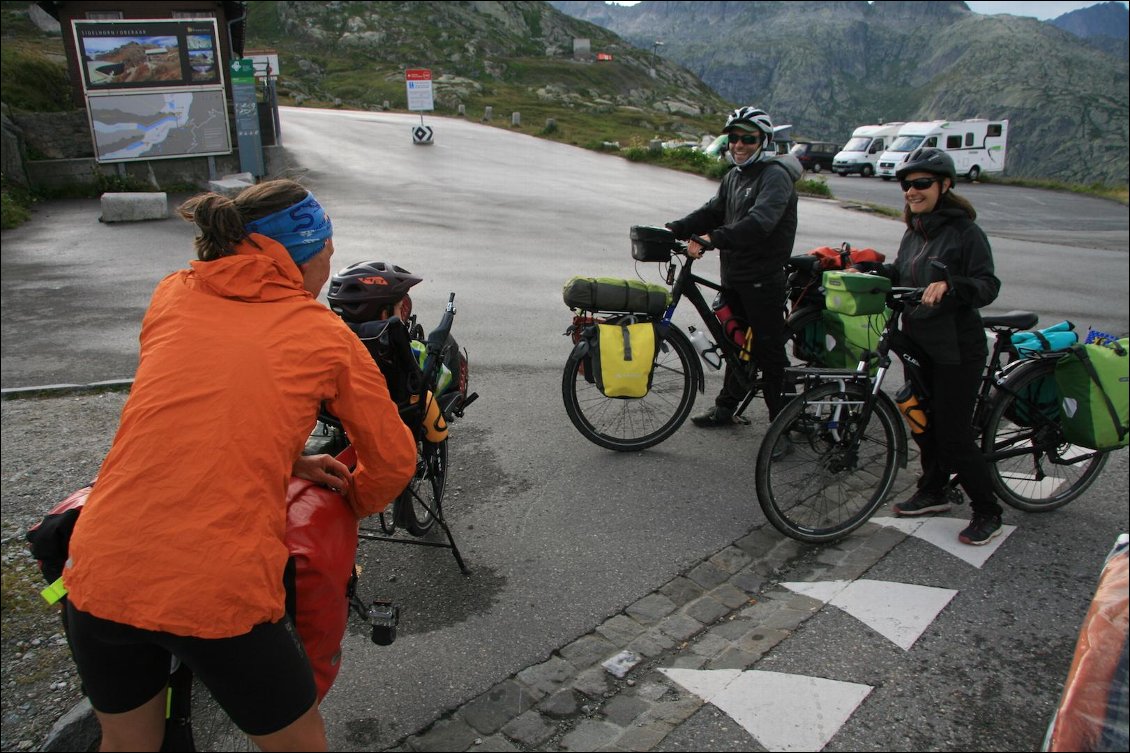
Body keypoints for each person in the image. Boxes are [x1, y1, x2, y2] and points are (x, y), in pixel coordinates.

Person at [61, 179, 417, 751]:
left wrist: (291, 460)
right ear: (302, 257)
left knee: (127, 745)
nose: (328, 269)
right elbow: (394, 460)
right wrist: (354, 502)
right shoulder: (322, 333)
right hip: (216, 586)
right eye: (326, 254)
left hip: (101, 567)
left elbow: (203, 407)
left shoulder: (172, 293)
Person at [860, 147, 1004, 545]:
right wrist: (877, 270)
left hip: (956, 347)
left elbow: (987, 285)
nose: (912, 190)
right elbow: (907, 272)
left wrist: (952, 286)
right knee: (922, 419)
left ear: (945, 186)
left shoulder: (965, 232)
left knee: (954, 435)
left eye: (922, 183)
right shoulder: (916, 229)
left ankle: (988, 509)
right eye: (907, 184)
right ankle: (934, 489)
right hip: (919, 340)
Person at [665, 106, 802, 427]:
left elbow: (759, 223)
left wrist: (713, 238)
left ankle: (782, 426)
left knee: (769, 356)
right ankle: (726, 408)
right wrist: (674, 229)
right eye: (733, 138)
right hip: (736, 277)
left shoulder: (775, 176)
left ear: (764, 141)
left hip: (764, 280)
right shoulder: (734, 176)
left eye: (748, 139)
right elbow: (711, 212)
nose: (738, 145)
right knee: (736, 347)